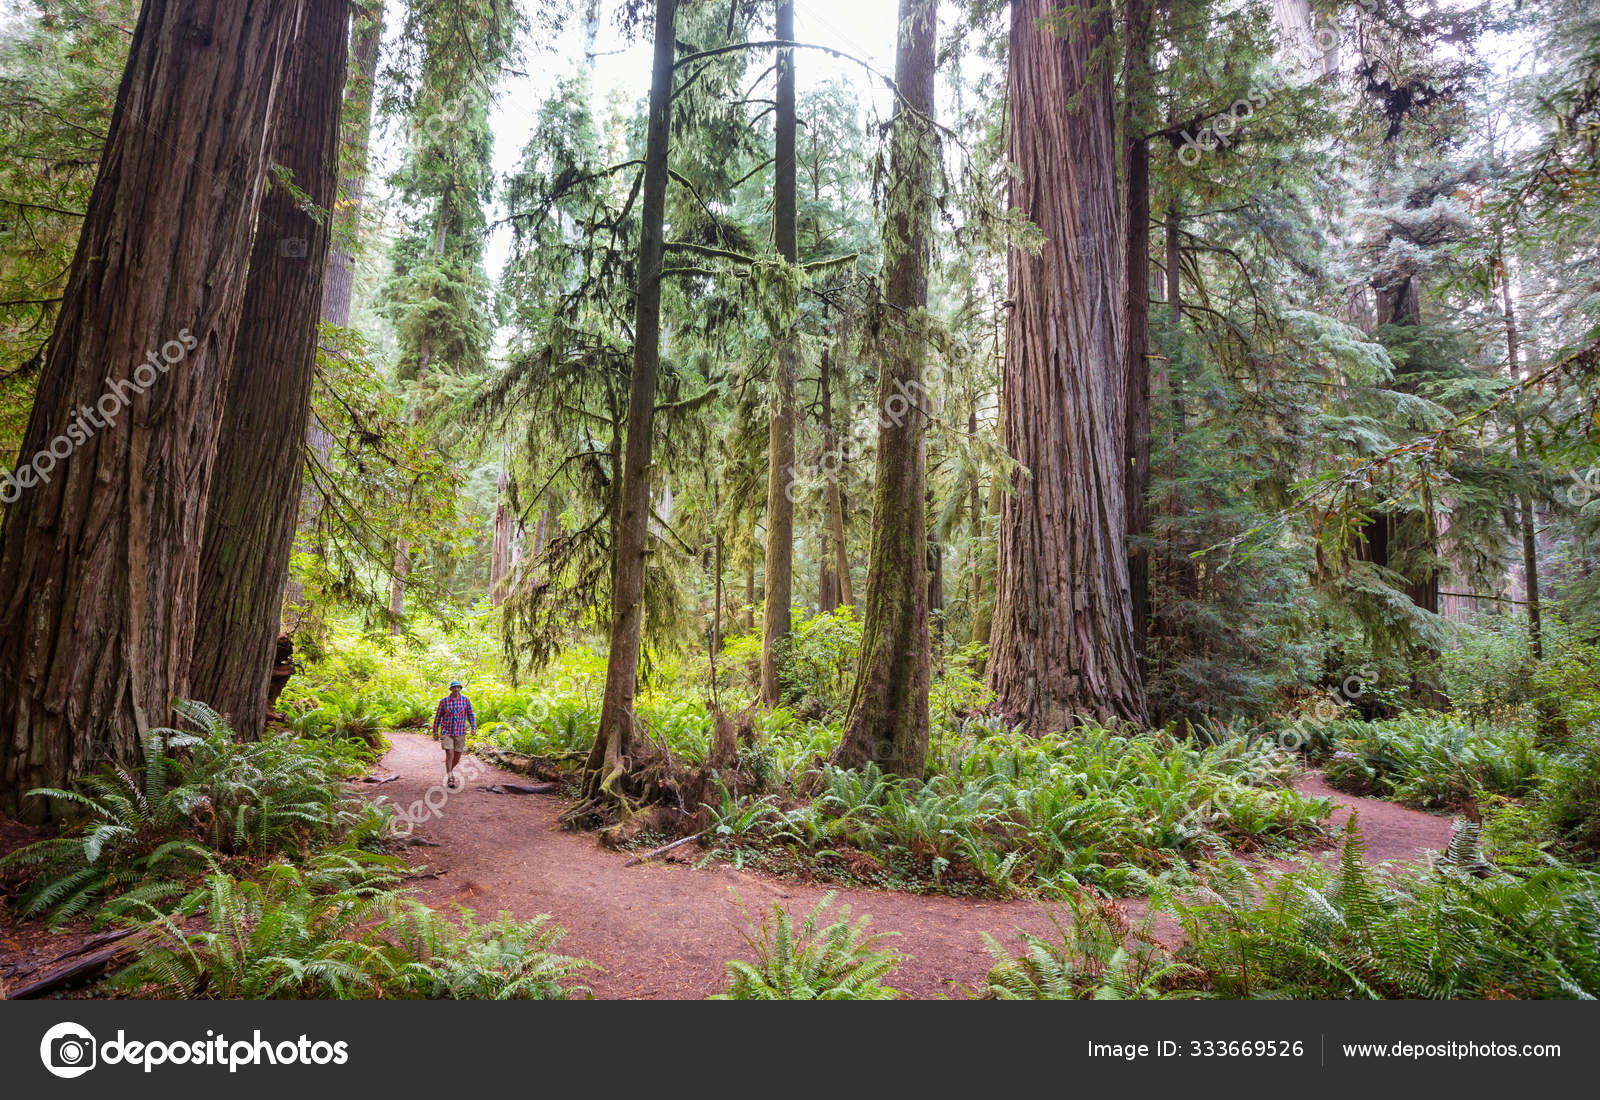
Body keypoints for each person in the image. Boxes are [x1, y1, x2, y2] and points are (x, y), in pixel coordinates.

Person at [430, 680, 476, 790]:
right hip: (447, 731)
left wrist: (473, 727)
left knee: (457, 756)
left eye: (458, 687)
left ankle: (449, 770)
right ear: (450, 689)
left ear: (460, 688)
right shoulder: (444, 701)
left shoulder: (465, 700)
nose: (456, 689)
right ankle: (450, 778)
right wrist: (435, 731)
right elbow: (438, 717)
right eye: (454, 687)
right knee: (450, 754)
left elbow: (470, 715)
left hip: (460, 731)